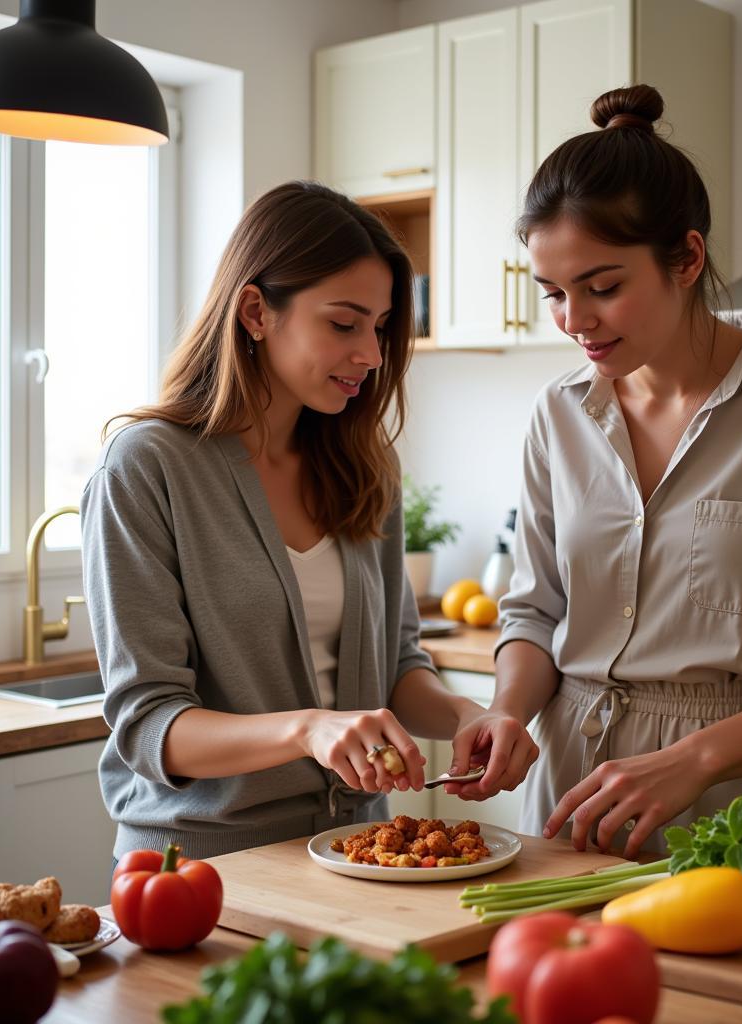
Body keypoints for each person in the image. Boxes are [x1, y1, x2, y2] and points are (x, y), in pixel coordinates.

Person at [448, 84, 742, 859]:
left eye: (602, 287)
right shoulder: (558, 413)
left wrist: (692, 761)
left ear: (687, 258)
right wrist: (506, 711)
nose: (574, 321)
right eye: (554, 294)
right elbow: (534, 613)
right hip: (571, 803)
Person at [81, 180, 522, 865]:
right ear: (256, 311)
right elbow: (149, 725)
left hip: (359, 854)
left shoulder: (366, 469)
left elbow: (399, 667)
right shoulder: (147, 469)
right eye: (344, 324)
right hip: (199, 869)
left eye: (378, 328)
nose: (372, 355)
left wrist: (471, 715)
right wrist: (308, 730)